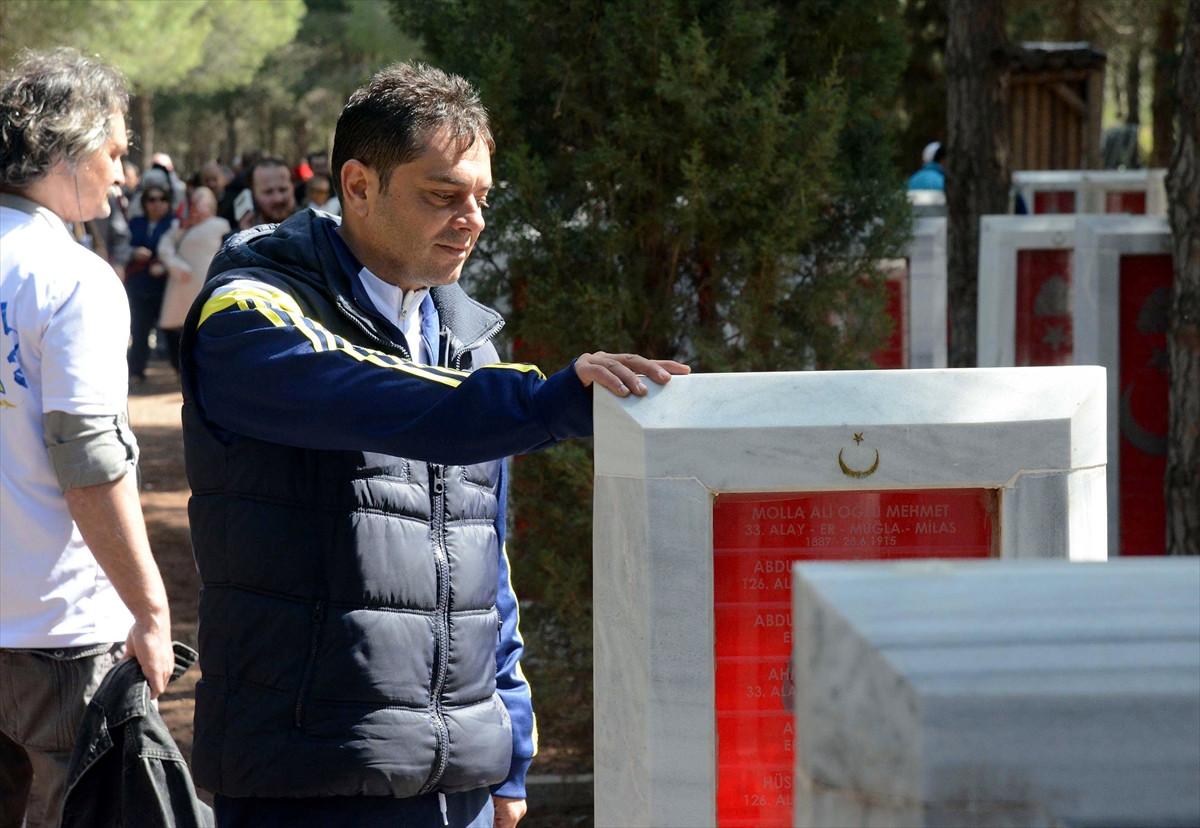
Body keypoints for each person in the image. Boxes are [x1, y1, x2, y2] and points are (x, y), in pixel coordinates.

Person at [180, 61, 688, 828]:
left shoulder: (468, 342)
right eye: (443, 195)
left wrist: (510, 748)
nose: (472, 219)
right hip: (311, 778)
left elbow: (486, 562)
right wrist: (541, 401)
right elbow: (372, 393)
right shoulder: (250, 311)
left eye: (482, 197)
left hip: (463, 786)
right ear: (358, 187)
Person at [0, 47, 174, 828]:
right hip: (57, 636)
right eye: (115, 151)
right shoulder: (70, 276)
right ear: (65, 150)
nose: (123, 174)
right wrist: (151, 608)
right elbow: (90, 460)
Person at [157, 185, 230, 374]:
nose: (197, 204)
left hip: (206, 283)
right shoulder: (180, 226)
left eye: (202, 199)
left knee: (202, 328)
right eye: (195, 200)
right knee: (175, 330)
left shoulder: (221, 224)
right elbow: (164, 248)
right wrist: (177, 266)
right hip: (180, 282)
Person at [124, 184, 178, 383]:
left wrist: (165, 266)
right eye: (152, 199)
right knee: (139, 331)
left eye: (162, 199)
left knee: (173, 331)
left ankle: (181, 373)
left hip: (166, 287)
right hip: (139, 286)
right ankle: (136, 373)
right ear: (145, 203)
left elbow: (179, 251)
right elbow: (122, 245)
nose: (157, 204)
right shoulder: (135, 223)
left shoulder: (175, 224)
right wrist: (134, 253)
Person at [239, 156, 296, 228]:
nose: (278, 199)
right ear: (253, 193)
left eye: (283, 190)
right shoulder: (239, 234)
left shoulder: (309, 227)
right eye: (268, 192)